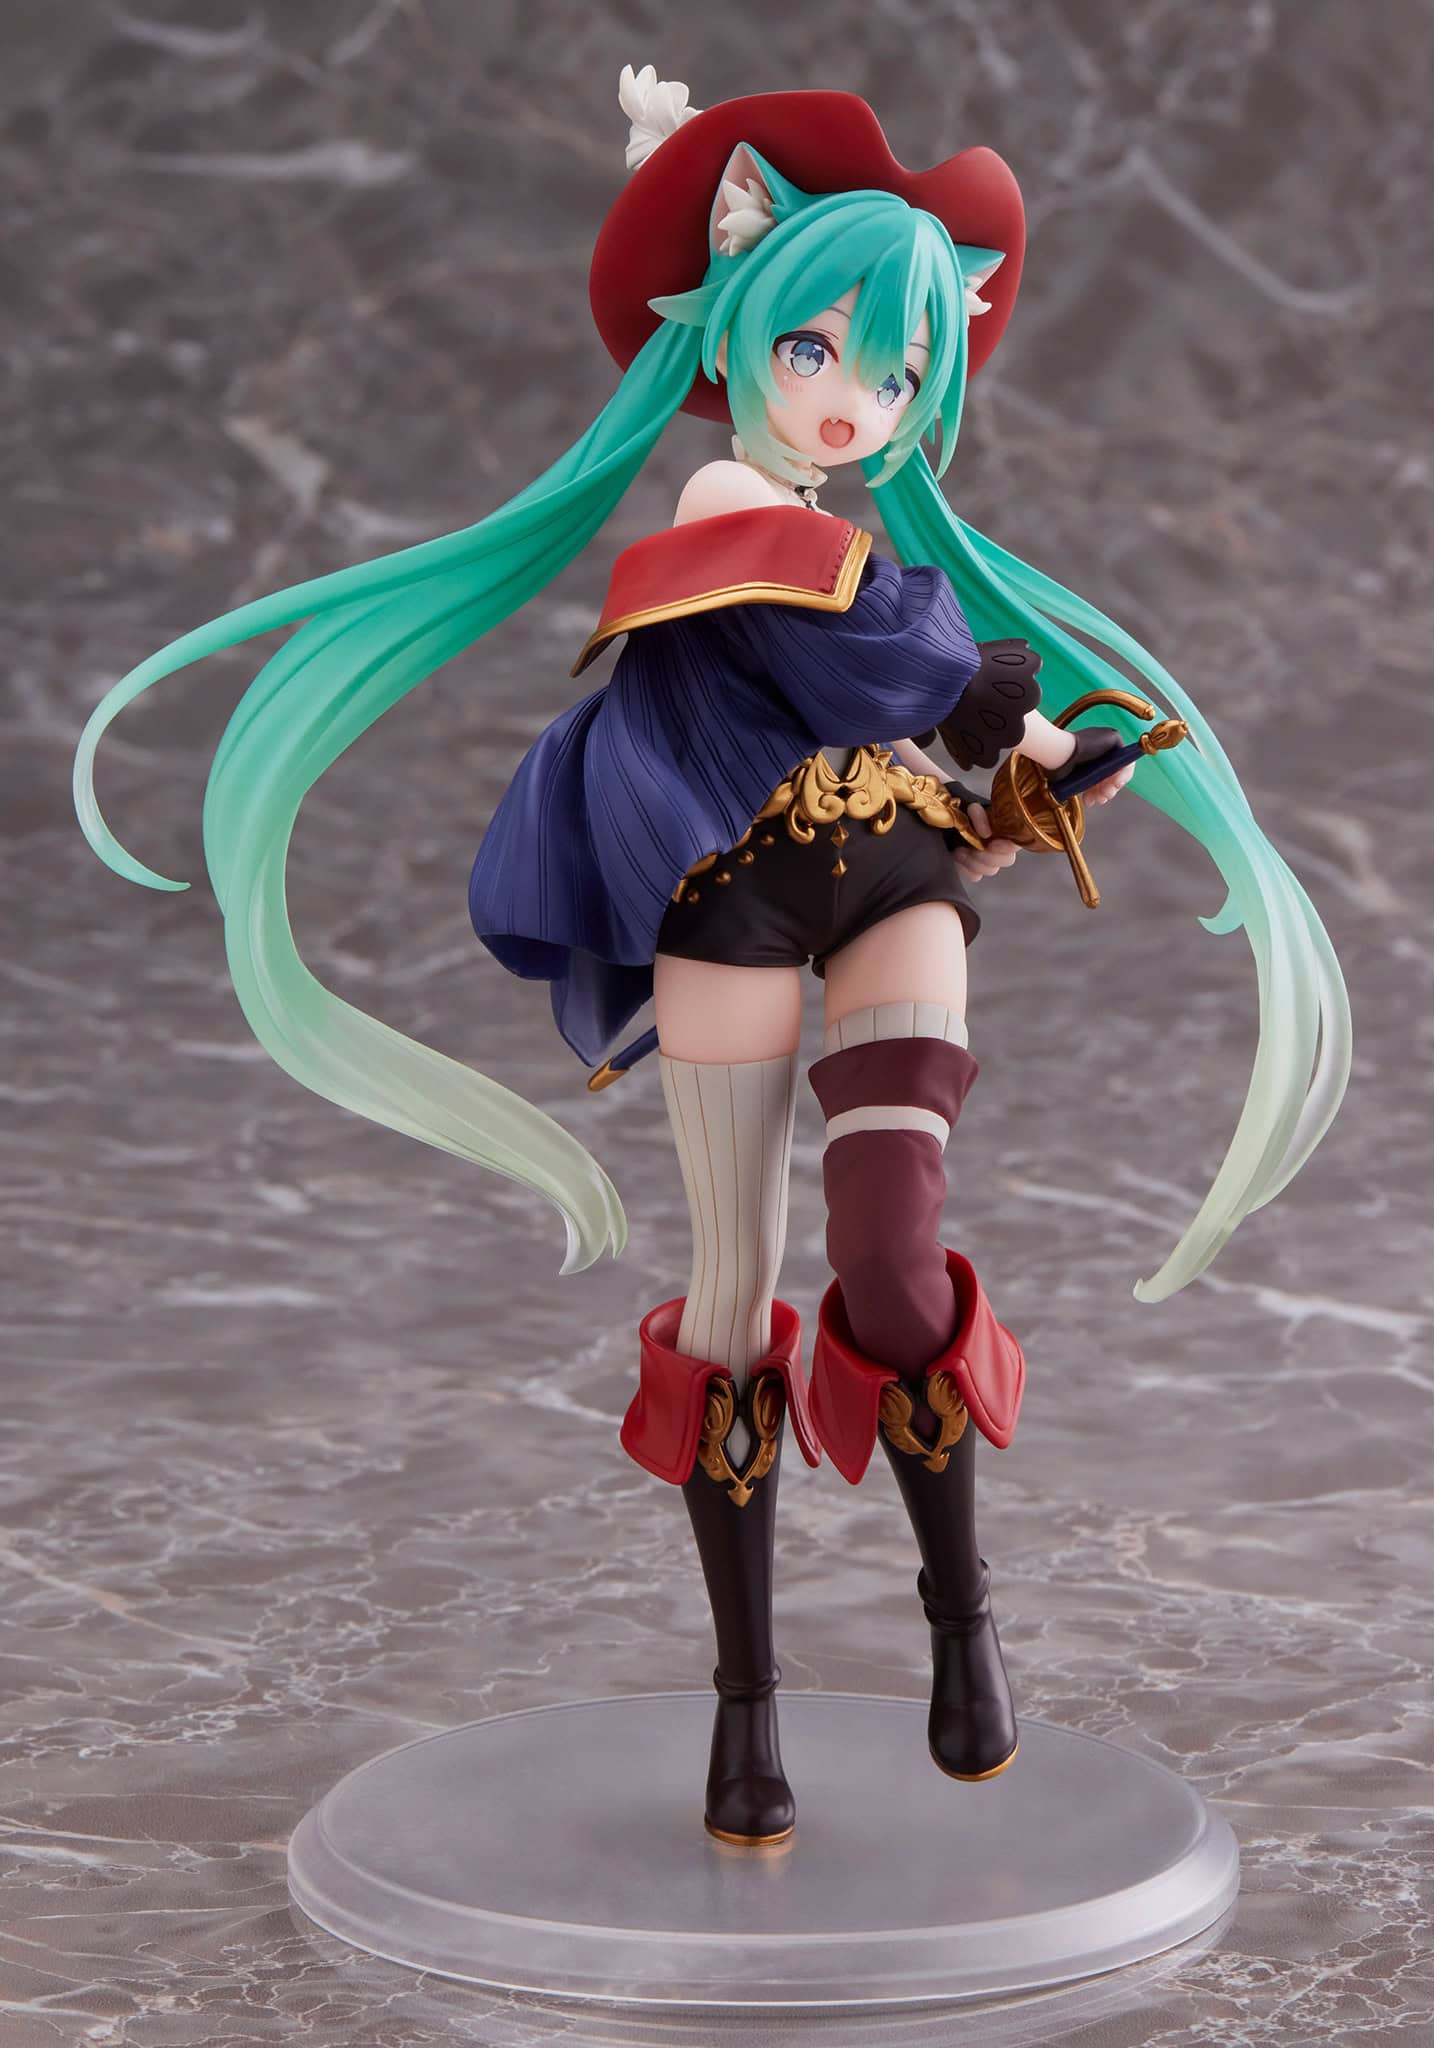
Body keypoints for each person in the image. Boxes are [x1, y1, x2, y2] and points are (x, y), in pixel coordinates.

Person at [72, 67, 1350, 1851]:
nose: (850, 401)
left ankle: (961, 1614)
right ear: (732, 331)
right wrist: (1035, 723)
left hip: (887, 874)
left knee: (890, 1255)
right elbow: (887, 661)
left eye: (893, 374)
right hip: (727, 898)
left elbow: (914, 713)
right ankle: (748, 1701)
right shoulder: (726, 502)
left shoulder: (850, 541)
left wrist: (1027, 790)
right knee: (736, 1290)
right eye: (814, 348)